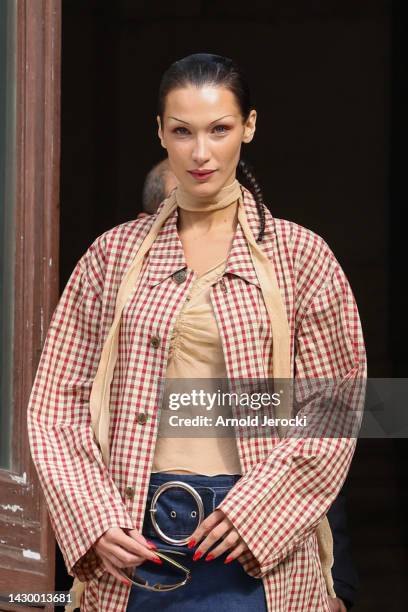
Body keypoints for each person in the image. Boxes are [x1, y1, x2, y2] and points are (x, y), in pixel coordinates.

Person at [27, 53, 366, 612]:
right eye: (182, 131)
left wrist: (259, 512)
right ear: (160, 132)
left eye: (220, 129)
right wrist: (94, 517)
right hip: (132, 541)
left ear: (249, 127)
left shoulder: (302, 257)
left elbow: (335, 410)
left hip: (257, 547)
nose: (201, 152)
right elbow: (55, 405)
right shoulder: (111, 256)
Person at [138, 160, 361, 612]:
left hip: (260, 563)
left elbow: (317, 439)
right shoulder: (126, 318)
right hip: (145, 558)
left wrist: (335, 586)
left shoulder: (263, 316)